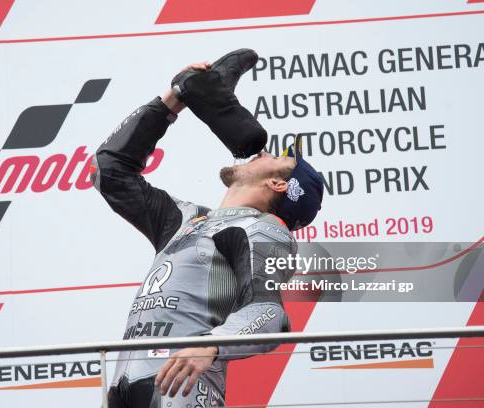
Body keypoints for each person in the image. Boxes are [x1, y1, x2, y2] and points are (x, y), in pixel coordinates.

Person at [91, 49, 324, 408]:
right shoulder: (183, 219)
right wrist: (174, 99)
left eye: (275, 156)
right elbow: (110, 171)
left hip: (183, 390)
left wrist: (212, 345)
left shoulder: (265, 230)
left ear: (279, 184)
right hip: (124, 386)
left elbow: (269, 312)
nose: (261, 153)